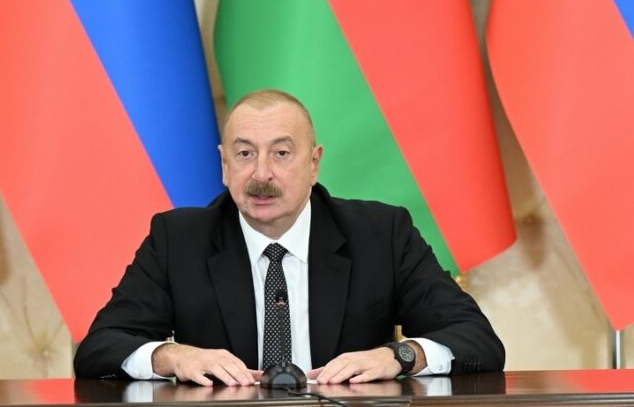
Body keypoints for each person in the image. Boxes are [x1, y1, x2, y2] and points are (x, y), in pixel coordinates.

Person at [74, 89, 504, 386]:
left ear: (314, 163)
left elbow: (477, 339)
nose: (261, 174)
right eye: (245, 154)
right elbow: (99, 349)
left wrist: (399, 356)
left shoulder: (380, 233)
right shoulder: (178, 240)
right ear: (224, 166)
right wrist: (173, 356)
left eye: (281, 153)